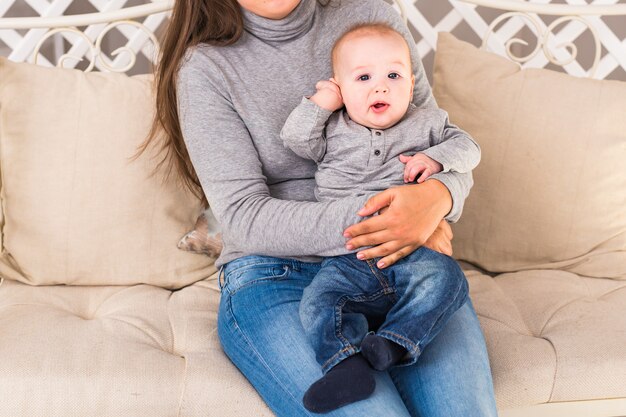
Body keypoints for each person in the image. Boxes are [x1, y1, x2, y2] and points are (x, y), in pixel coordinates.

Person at [145, 0, 499, 416]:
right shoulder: (206, 67)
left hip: (402, 259)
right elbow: (244, 217)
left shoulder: (371, 18)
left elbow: (441, 144)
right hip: (277, 273)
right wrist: (391, 218)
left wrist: (436, 199)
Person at [279, 22, 480, 413]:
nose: (380, 87)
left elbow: (469, 148)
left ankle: (392, 343)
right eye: (363, 78)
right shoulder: (331, 129)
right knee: (317, 303)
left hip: (413, 251)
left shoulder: (429, 123)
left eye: (393, 75)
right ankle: (346, 365)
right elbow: (295, 140)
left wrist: (436, 158)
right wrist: (323, 101)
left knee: (447, 280)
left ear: (410, 83)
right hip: (348, 258)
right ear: (341, 86)